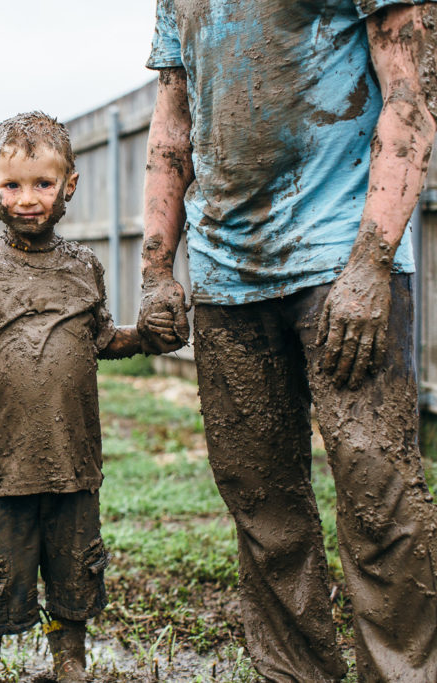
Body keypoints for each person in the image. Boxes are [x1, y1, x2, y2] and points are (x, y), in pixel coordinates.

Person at [140, 2, 437, 680]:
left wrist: (370, 264)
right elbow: (172, 125)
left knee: (380, 498)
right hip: (225, 273)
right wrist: (157, 269)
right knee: (261, 508)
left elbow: (411, 96)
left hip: (343, 264)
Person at [0, 112, 181, 683]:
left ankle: (70, 662)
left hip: (73, 458)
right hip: (3, 463)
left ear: (69, 185)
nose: (26, 199)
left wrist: (145, 337)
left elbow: (101, 339)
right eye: (12, 185)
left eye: (42, 184)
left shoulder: (84, 268)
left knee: (75, 571)